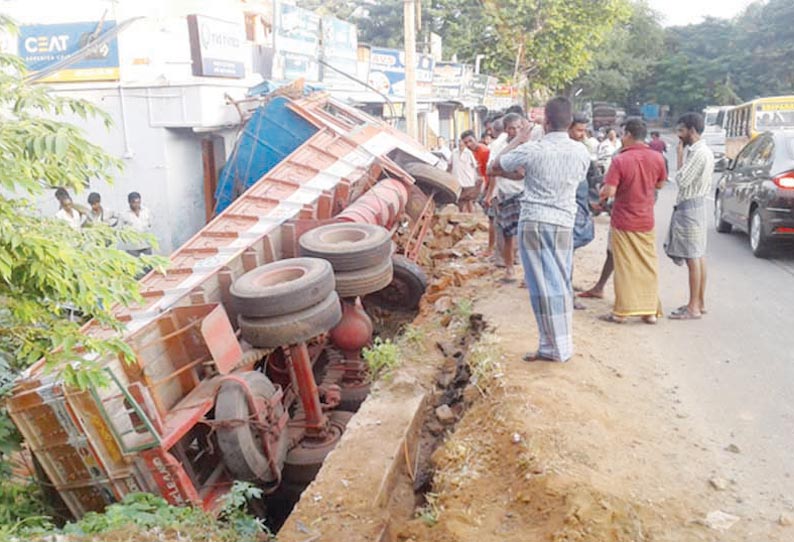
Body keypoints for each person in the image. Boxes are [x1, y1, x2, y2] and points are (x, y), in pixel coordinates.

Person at [489, 97, 590, 363]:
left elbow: (494, 167)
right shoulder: (581, 152)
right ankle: (558, 344)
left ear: (545, 122)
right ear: (569, 123)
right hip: (563, 222)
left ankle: (552, 347)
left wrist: (518, 139)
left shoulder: (533, 149)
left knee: (541, 287)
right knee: (560, 282)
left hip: (534, 220)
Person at [597, 117, 667, 324]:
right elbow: (661, 184)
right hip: (646, 218)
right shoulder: (658, 158)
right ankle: (650, 311)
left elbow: (609, 190)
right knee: (647, 264)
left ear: (627, 134)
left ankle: (622, 312)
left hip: (624, 219)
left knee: (625, 265)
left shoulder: (620, 160)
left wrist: (601, 193)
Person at [665, 112, 714, 320]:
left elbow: (682, 180)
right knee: (699, 256)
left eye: (682, 130)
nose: (679, 136)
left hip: (690, 207)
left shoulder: (697, 153)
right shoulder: (704, 151)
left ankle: (693, 307)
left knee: (693, 258)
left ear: (692, 131)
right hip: (698, 206)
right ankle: (699, 302)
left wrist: (678, 156)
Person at [485, 113, 523, 281]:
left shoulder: (529, 146)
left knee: (526, 235)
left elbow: (524, 173)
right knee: (507, 234)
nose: (516, 131)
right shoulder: (499, 145)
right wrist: (513, 174)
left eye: (519, 127)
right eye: (512, 128)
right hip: (506, 194)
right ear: (506, 129)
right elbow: (490, 170)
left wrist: (506, 172)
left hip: (526, 194)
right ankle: (509, 269)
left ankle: (525, 273)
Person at [568, 115, 599, 310]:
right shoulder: (565, 150)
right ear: (568, 128)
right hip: (568, 208)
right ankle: (567, 293)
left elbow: (591, 175)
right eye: (579, 130)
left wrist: (592, 200)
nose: (582, 135)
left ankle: (567, 285)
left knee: (570, 249)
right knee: (566, 250)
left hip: (580, 204)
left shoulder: (582, 149)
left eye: (584, 131)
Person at [456, 130, 488, 213]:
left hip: (484, 183)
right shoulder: (466, 153)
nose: (469, 144)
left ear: (476, 139)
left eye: (470, 141)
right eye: (466, 142)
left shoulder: (485, 151)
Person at [119, 191, 154, 256]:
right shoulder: (124, 214)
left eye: (138, 202)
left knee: (149, 265)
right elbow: (120, 230)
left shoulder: (146, 211)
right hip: (132, 247)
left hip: (146, 244)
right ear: (129, 202)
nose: (136, 205)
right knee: (134, 265)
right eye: (134, 202)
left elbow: (150, 224)